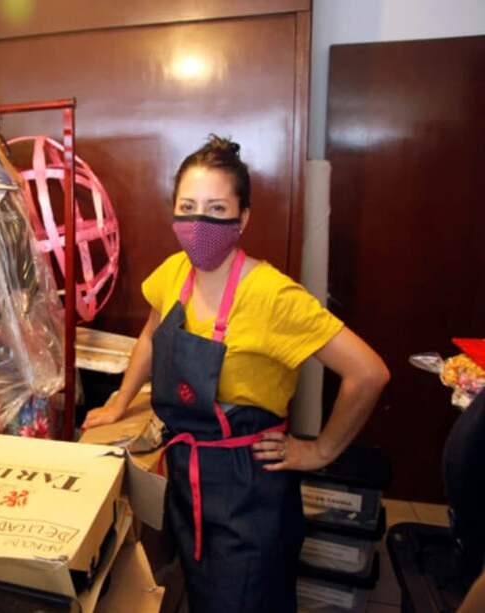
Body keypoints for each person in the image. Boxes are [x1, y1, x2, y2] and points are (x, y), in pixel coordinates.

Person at [82, 135, 390, 613]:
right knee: (205, 591)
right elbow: (149, 336)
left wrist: (321, 450)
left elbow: (369, 373)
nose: (199, 222)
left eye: (217, 209)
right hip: (188, 470)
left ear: (243, 218)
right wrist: (121, 400)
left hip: (249, 484)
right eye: (188, 206)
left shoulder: (271, 295)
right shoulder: (172, 274)